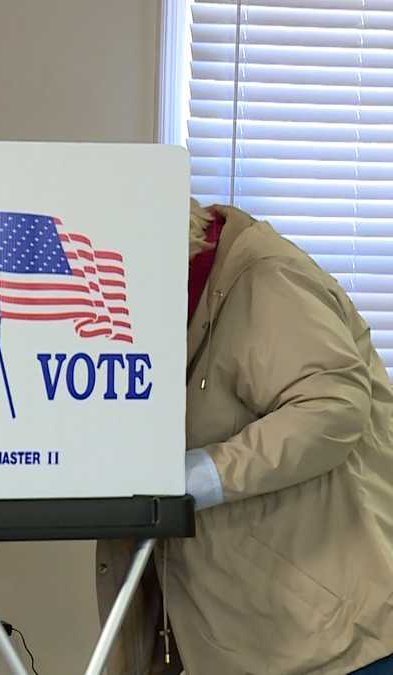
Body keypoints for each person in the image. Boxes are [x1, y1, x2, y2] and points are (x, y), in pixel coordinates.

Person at [98, 199, 393, 674]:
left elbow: (333, 406)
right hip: (245, 638)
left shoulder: (263, 278)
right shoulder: (159, 309)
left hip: (336, 638)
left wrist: (203, 475)